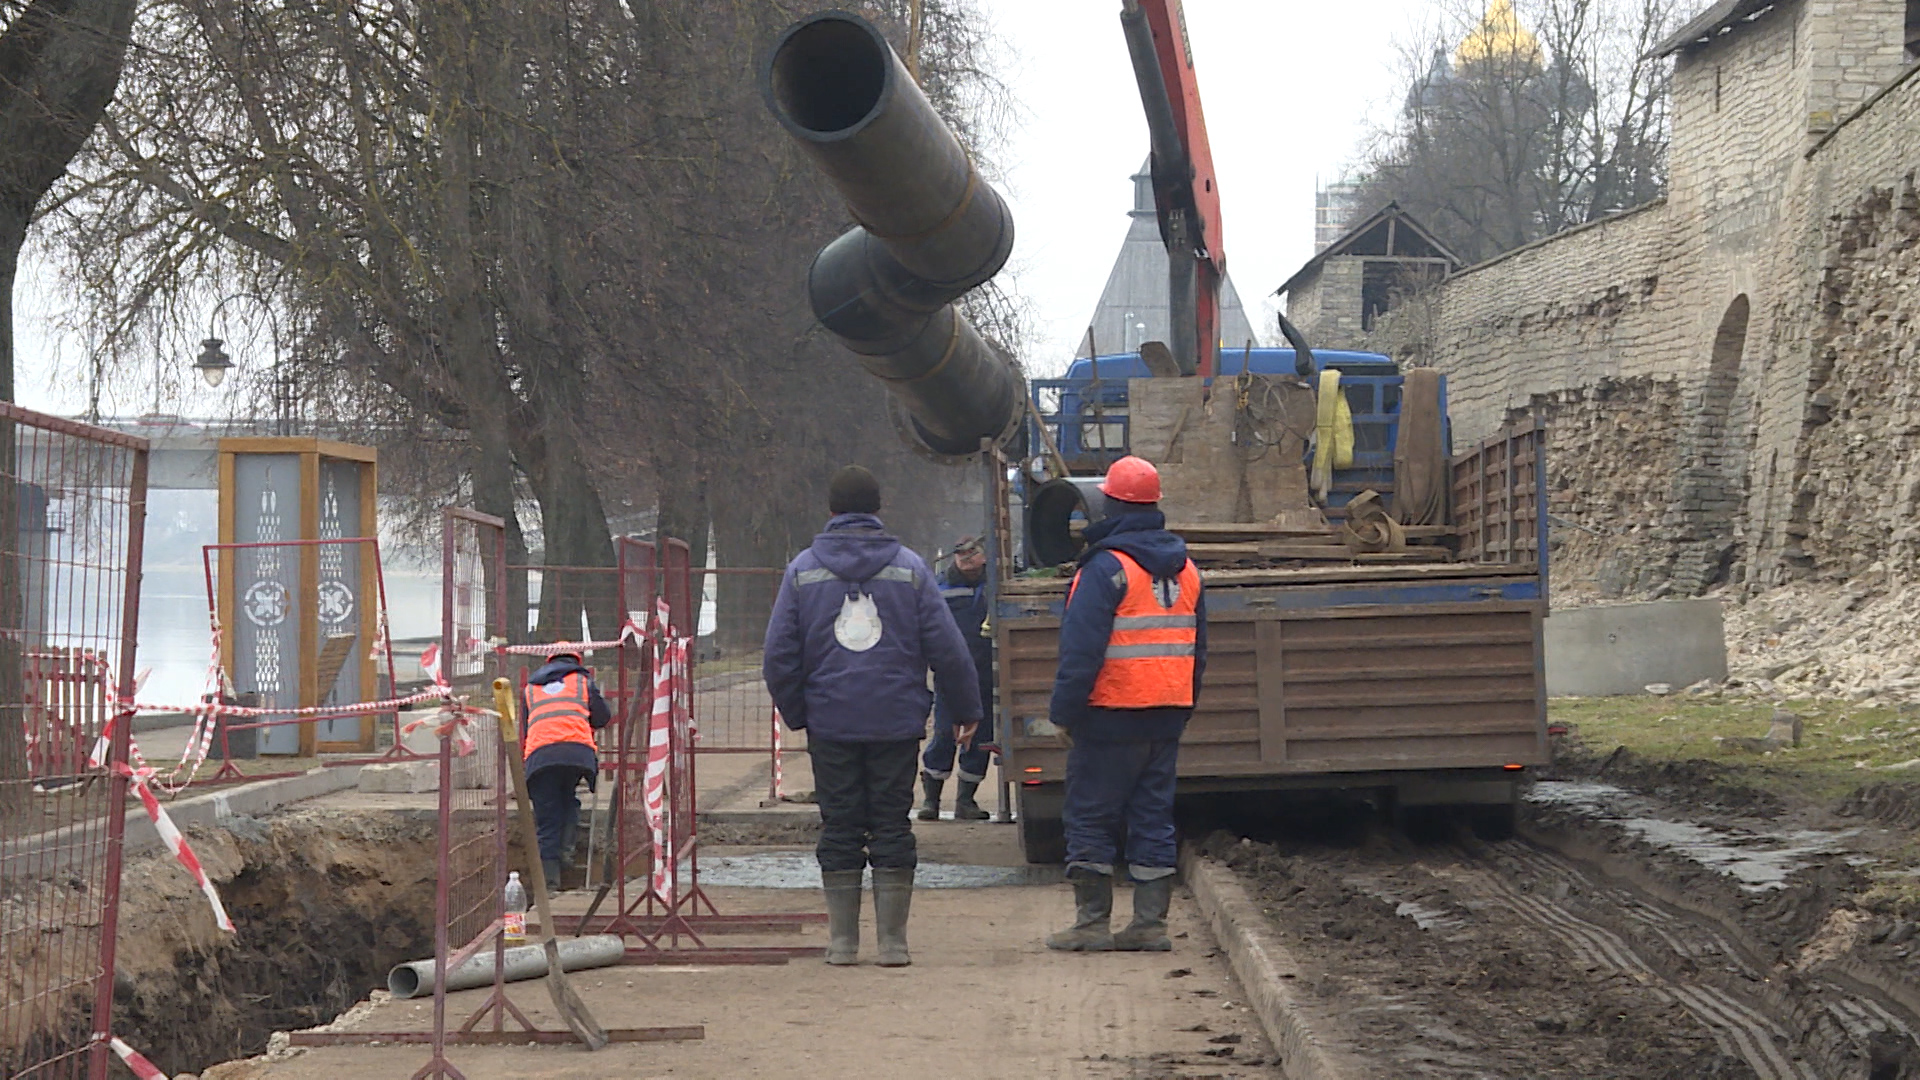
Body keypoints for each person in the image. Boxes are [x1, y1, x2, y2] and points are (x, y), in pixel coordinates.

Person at [763, 465, 983, 968]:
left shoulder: (802, 570)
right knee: (891, 823)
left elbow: (778, 656)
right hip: (896, 723)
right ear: (877, 510)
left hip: (831, 724)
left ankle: (842, 943)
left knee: (839, 825)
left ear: (832, 511)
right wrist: (967, 709)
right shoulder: (909, 568)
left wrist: (802, 713)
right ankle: (893, 943)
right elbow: (947, 649)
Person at [1044, 456, 1206, 954]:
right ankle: (1150, 925)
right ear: (1156, 504)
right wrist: (1183, 704)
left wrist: (1064, 714)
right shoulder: (1189, 570)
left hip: (1110, 713)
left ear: (1109, 503)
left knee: (1091, 814)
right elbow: (1199, 651)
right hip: (1167, 712)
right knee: (1153, 815)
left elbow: (1081, 649)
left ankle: (1092, 924)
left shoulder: (1106, 567)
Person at [918, 535, 996, 822]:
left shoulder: (994, 584)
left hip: (988, 673)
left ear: (984, 557)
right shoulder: (941, 587)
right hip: (951, 673)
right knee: (943, 734)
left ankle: (966, 801)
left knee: (981, 738)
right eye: (960, 554)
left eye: (972, 553)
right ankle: (931, 801)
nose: (965, 559)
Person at [519, 650, 612, 888]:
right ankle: (566, 853)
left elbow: (526, 726)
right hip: (576, 753)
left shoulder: (530, 688)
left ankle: (550, 881)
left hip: (541, 757)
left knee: (547, 817)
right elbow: (602, 717)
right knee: (568, 799)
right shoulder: (582, 682)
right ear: (576, 661)